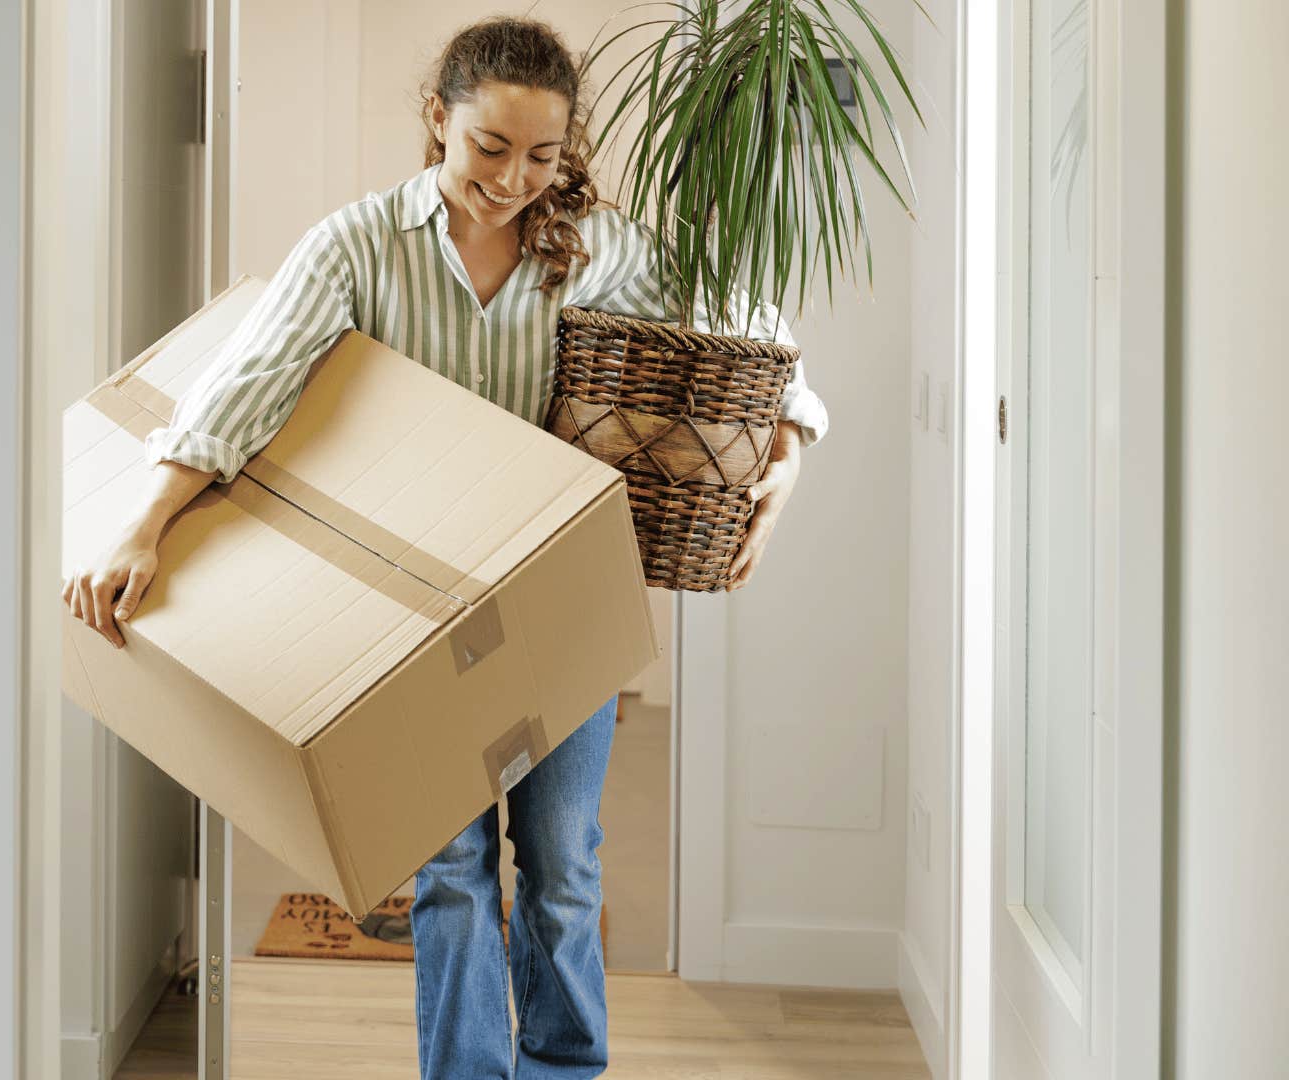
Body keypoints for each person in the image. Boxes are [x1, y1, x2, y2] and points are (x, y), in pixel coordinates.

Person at [62, 15, 828, 1078]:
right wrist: (144, 523)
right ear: (438, 118)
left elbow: (751, 334)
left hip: (565, 612)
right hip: (417, 628)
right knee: (452, 870)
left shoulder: (598, 244)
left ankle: (563, 1067)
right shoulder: (358, 244)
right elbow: (247, 382)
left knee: (562, 866)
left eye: (543, 156)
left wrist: (788, 453)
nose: (515, 178)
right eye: (490, 147)